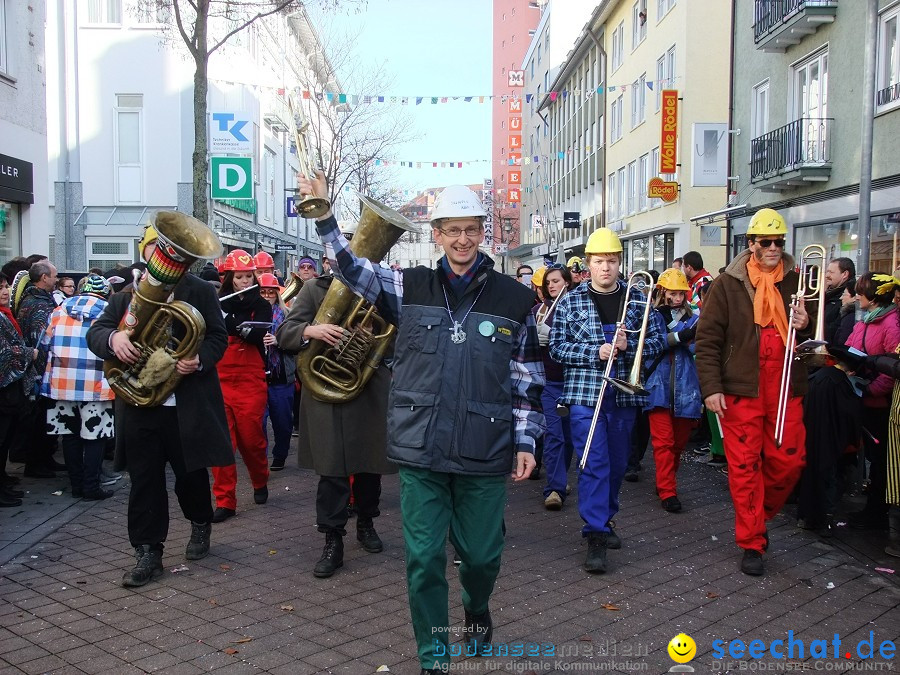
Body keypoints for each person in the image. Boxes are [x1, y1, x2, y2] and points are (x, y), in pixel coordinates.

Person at [299, 175, 543, 675]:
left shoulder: (514, 299)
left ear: (483, 232)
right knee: (425, 559)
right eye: (451, 230)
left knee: (480, 558)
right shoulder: (408, 286)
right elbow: (350, 268)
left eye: (470, 229)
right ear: (436, 233)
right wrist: (325, 216)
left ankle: (477, 608)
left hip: (484, 449)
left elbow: (526, 379)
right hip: (420, 448)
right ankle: (435, 655)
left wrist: (526, 440)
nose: (461, 239)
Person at [86, 213, 234, 587]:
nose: (164, 258)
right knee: (145, 481)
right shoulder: (124, 298)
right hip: (138, 404)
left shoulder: (199, 291)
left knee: (190, 477)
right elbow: (98, 332)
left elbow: (218, 336)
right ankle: (148, 551)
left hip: (184, 405)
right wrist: (113, 340)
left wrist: (199, 359)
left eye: (170, 252)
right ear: (147, 254)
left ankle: (200, 522)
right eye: (157, 250)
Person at [695, 208, 811, 577]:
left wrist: (806, 326)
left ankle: (756, 515)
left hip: (784, 385)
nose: (774, 248)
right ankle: (752, 542)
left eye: (779, 242)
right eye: (767, 242)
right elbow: (708, 339)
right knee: (744, 468)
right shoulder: (727, 283)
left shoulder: (797, 280)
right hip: (741, 389)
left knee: (789, 462)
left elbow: (814, 341)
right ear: (751, 244)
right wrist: (711, 387)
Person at [550, 230, 665, 574]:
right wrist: (595, 351)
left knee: (616, 464)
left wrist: (633, 347)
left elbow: (658, 341)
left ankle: (607, 517)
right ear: (588, 264)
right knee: (594, 462)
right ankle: (595, 533)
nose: (605, 268)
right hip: (585, 394)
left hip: (624, 394)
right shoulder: (570, 300)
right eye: (599, 262)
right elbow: (557, 348)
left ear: (620, 262)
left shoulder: (638, 298)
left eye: (611, 261)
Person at [276, 245, 394, 578]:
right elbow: (285, 333)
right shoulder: (315, 289)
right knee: (331, 470)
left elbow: (397, 338)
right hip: (326, 388)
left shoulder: (381, 290)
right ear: (328, 262)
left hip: (368, 387)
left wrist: (372, 337)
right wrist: (310, 331)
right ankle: (332, 539)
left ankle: (367, 523)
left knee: (370, 464)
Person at [40, 274, 116, 500]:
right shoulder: (109, 312)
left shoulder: (57, 311)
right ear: (104, 292)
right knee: (95, 435)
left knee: (70, 436)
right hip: (96, 383)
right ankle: (91, 487)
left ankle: (76, 486)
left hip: (61, 382)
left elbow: (44, 343)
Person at [211, 250, 273, 522]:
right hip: (221, 378)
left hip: (250, 378)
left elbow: (257, 331)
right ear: (229, 278)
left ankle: (260, 480)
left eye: (249, 276)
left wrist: (231, 322)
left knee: (251, 440)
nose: (245, 281)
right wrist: (232, 322)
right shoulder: (217, 301)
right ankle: (225, 500)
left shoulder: (260, 303)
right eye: (240, 277)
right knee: (223, 443)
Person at [843, 272, 900, 530]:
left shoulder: (891, 324)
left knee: (880, 460)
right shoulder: (865, 320)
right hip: (864, 398)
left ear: (873, 298)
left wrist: (870, 390)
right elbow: (850, 347)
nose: (856, 297)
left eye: (860, 292)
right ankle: (872, 510)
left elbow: (892, 369)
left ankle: (878, 512)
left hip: (879, 404)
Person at [644, 268, 702, 513]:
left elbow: (698, 348)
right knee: (664, 443)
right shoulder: (652, 316)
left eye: (681, 294)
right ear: (662, 292)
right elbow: (652, 346)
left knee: (677, 445)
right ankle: (667, 490)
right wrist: (681, 336)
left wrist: (684, 335)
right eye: (673, 293)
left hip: (686, 389)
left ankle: (666, 482)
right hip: (659, 388)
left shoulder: (695, 316)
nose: (677, 298)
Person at [534, 264, 575, 509]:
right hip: (548, 382)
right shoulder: (538, 310)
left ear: (567, 283)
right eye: (548, 282)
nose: (551, 285)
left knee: (569, 438)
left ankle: (559, 477)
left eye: (556, 281)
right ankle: (554, 489)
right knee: (554, 435)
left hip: (572, 382)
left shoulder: (576, 308)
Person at [16, 260, 60, 479]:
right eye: (54, 275)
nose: (56, 279)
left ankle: (44, 460)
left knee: (42, 419)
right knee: (38, 421)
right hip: (39, 371)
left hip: (36, 369)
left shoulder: (31, 299)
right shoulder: (40, 304)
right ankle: (36, 464)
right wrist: (44, 372)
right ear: (44, 278)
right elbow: (40, 338)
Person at [0, 271, 33, 506]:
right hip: (4, 388)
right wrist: (29, 352)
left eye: (5, 286)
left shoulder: (6, 314)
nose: (4, 291)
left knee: (5, 440)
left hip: (11, 388)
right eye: (0, 287)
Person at [257, 273, 295, 471]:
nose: (266, 295)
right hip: (258, 376)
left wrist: (279, 342)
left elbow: (298, 344)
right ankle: (261, 461)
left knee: (283, 423)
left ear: (276, 294)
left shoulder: (287, 314)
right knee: (258, 424)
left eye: (270, 292)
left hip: (281, 377)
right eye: (262, 292)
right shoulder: (252, 314)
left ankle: (280, 455)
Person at [823, 257, 856, 347]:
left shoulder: (848, 295)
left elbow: (835, 327)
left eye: (831, 272)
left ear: (845, 274)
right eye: (827, 271)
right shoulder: (830, 293)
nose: (827, 275)